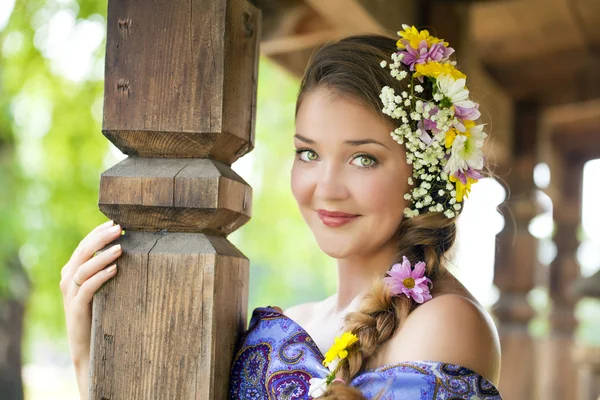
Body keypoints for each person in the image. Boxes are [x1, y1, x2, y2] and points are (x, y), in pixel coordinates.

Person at [61, 26, 502, 399]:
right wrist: (88, 354)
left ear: (425, 172)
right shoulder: (296, 321)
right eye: (308, 153)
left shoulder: (445, 322)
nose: (325, 188)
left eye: (363, 158)